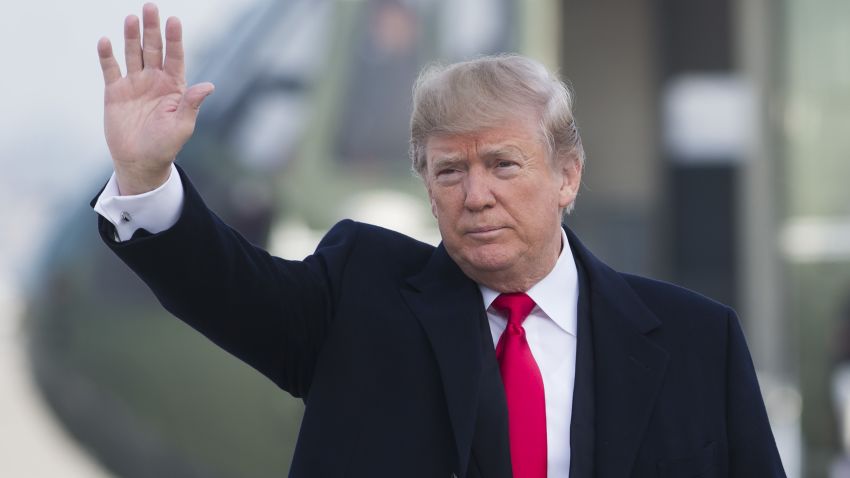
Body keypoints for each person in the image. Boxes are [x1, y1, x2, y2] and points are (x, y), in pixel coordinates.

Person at [93, 4, 786, 477]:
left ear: (567, 175)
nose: (475, 194)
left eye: (503, 165)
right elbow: (226, 285)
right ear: (427, 186)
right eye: (450, 170)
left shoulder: (701, 343)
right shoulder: (356, 297)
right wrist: (147, 175)